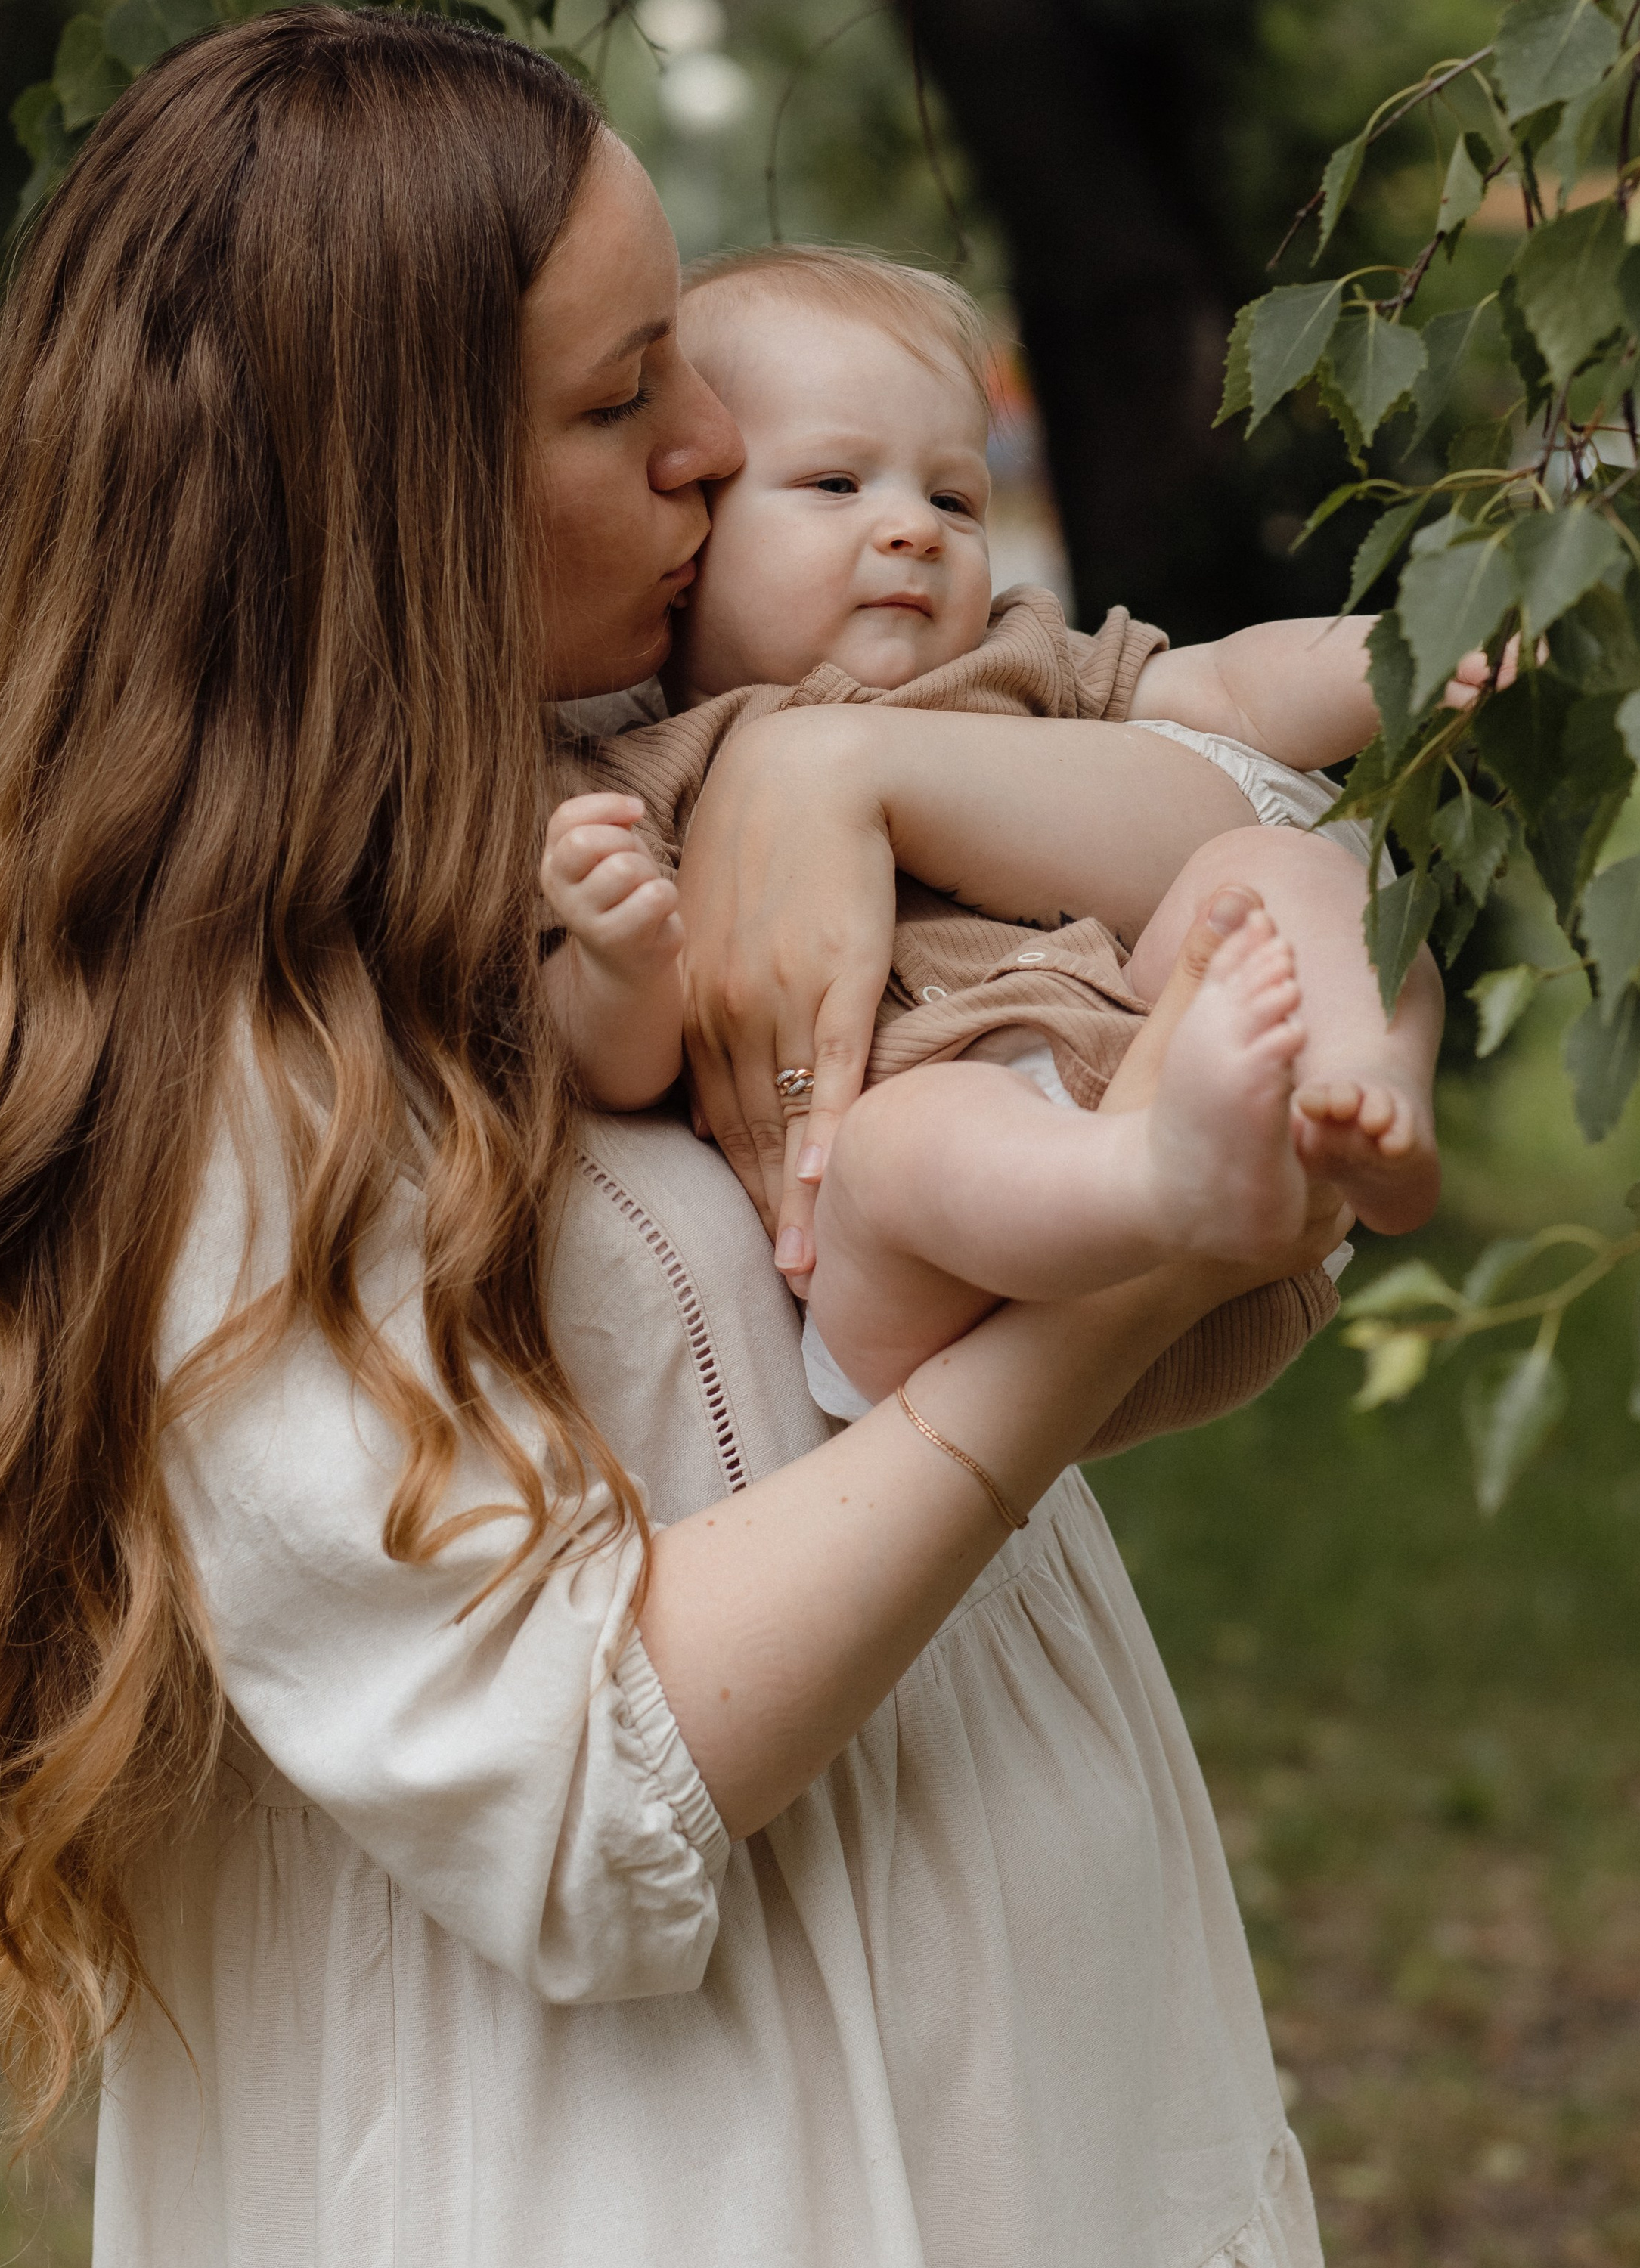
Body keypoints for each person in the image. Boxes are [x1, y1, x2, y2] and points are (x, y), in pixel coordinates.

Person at [0, 6, 1350, 2268]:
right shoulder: (225, 1075)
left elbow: (1276, 842)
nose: (714, 448)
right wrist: (1107, 1285)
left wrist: (857, 772)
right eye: (617, 404)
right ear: (367, 484)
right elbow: (586, 1802)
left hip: (1026, 2120)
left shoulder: (624, 783)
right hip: (680, 2224)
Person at [548, 244, 1474, 1411]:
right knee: (896, 1148)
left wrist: (1426, 644)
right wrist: (617, 954)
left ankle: (1362, 1092)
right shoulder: (632, 777)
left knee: (1286, 870)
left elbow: (1237, 691)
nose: (915, 530)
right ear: (692, 537)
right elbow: (608, 1064)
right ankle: (1145, 1178)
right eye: (837, 485)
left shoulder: (1014, 659)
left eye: (952, 497)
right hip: (941, 1290)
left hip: (1189, 1145)